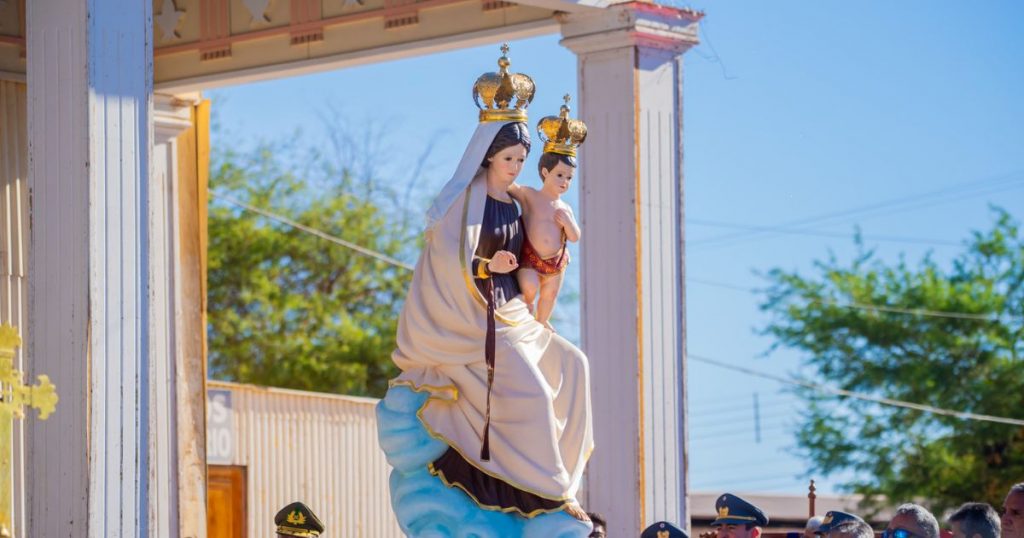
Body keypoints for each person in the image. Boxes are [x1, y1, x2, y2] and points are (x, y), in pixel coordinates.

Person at [388, 44, 594, 523]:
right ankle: (553, 498)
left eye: (521, 159)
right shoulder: (467, 201)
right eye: (508, 159)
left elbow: (539, 231)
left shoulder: (516, 198)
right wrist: (489, 266)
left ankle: (564, 478)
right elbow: (453, 263)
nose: (515, 167)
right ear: (487, 157)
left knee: (574, 365)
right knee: (536, 394)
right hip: (476, 316)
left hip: (515, 313)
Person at [510, 94, 585, 329]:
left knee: (550, 295)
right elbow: (511, 188)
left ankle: (542, 323)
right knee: (530, 290)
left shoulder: (565, 208)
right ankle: (526, 318)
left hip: (556, 262)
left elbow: (575, 237)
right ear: (545, 172)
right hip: (530, 259)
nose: (564, 181)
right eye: (559, 175)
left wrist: (568, 224)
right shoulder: (531, 196)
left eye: (569, 178)